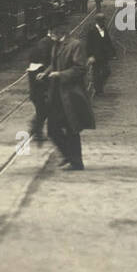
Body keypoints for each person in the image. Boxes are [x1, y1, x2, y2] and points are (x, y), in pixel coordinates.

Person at [42, 19, 94, 171]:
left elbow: (80, 68)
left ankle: (76, 162)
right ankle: (68, 155)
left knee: (72, 129)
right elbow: (55, 63)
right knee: (52, 129)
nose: (49, 35)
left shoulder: (75, 45)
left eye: (51, 32)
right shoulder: (57, 45)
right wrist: (45, 72)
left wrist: (60, 74)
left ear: (60, 31)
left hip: (70, 95)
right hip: (57, 94)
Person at [27, 26, 59, 143]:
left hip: (36, 76)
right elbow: (51, 61)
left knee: (42, 108)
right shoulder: (48, 43)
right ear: (51, 32)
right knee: (44, 108)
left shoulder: (43, 42)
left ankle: (36, 129)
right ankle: (36, 130)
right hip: (39, 78)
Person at [86, 14, 116, 95]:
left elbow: (108, 41)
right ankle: (98, 90)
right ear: (97, 21)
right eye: (102, 21)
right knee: (96, 73)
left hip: (104, 56)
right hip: (95, 56)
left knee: (106, 71)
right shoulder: (91, 30)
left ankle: (99, 87)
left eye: (104, 21)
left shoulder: (104, 29)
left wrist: (113, 53)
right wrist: (90, 56)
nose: (103, 22)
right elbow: (88, 44)